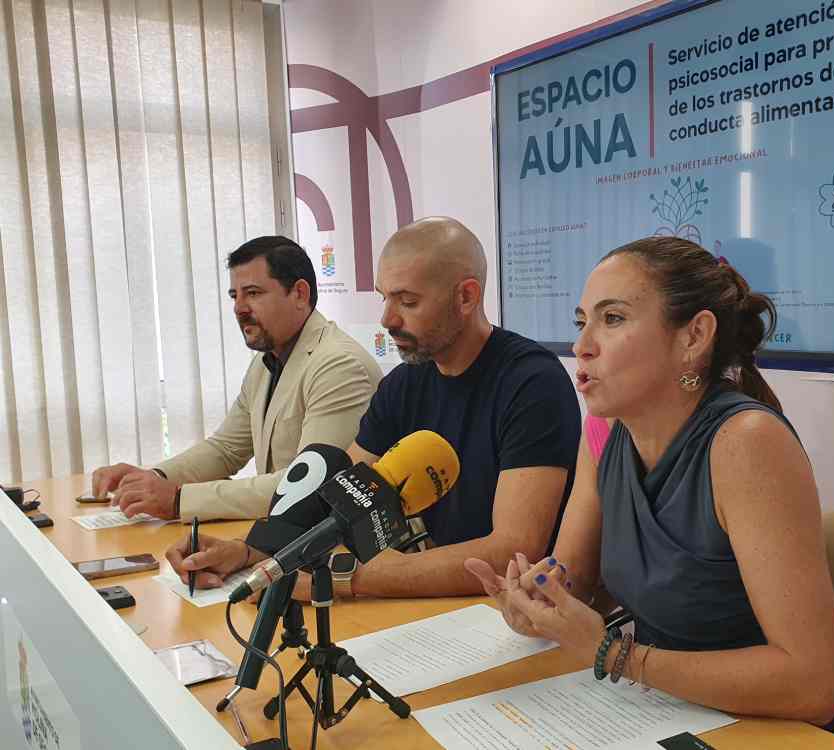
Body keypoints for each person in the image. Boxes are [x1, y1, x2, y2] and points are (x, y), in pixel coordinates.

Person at [465, 236, 834, 741]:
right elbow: (577, 585)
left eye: (612, 319)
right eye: (581, 321)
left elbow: (812, 685)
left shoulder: (747, 444)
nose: (582, 345)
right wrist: (538, 604)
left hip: (770, 728)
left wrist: (617, 654)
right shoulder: (604, 432)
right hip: (666, 710)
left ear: (693, 337)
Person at [167, 217, 581, 600]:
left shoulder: (531, 383)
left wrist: (347, 580)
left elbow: (513, 548)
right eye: (385, 298)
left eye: (407, 301)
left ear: (466, 297)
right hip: (433, 604)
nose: (387, 318)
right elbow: (339, 497)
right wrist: (248, 552)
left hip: (507, 607)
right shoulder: (404, 383)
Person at [91, 236, 382, 522]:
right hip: (287, 534)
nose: (239, 308)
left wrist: (179, 500)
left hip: (336, 550)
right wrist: (152, 478)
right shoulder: (266, 361)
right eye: (235, 295)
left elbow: (308, 486)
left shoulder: (339, 366)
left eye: (253, 293)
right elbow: (226, 449)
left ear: (300, 294)